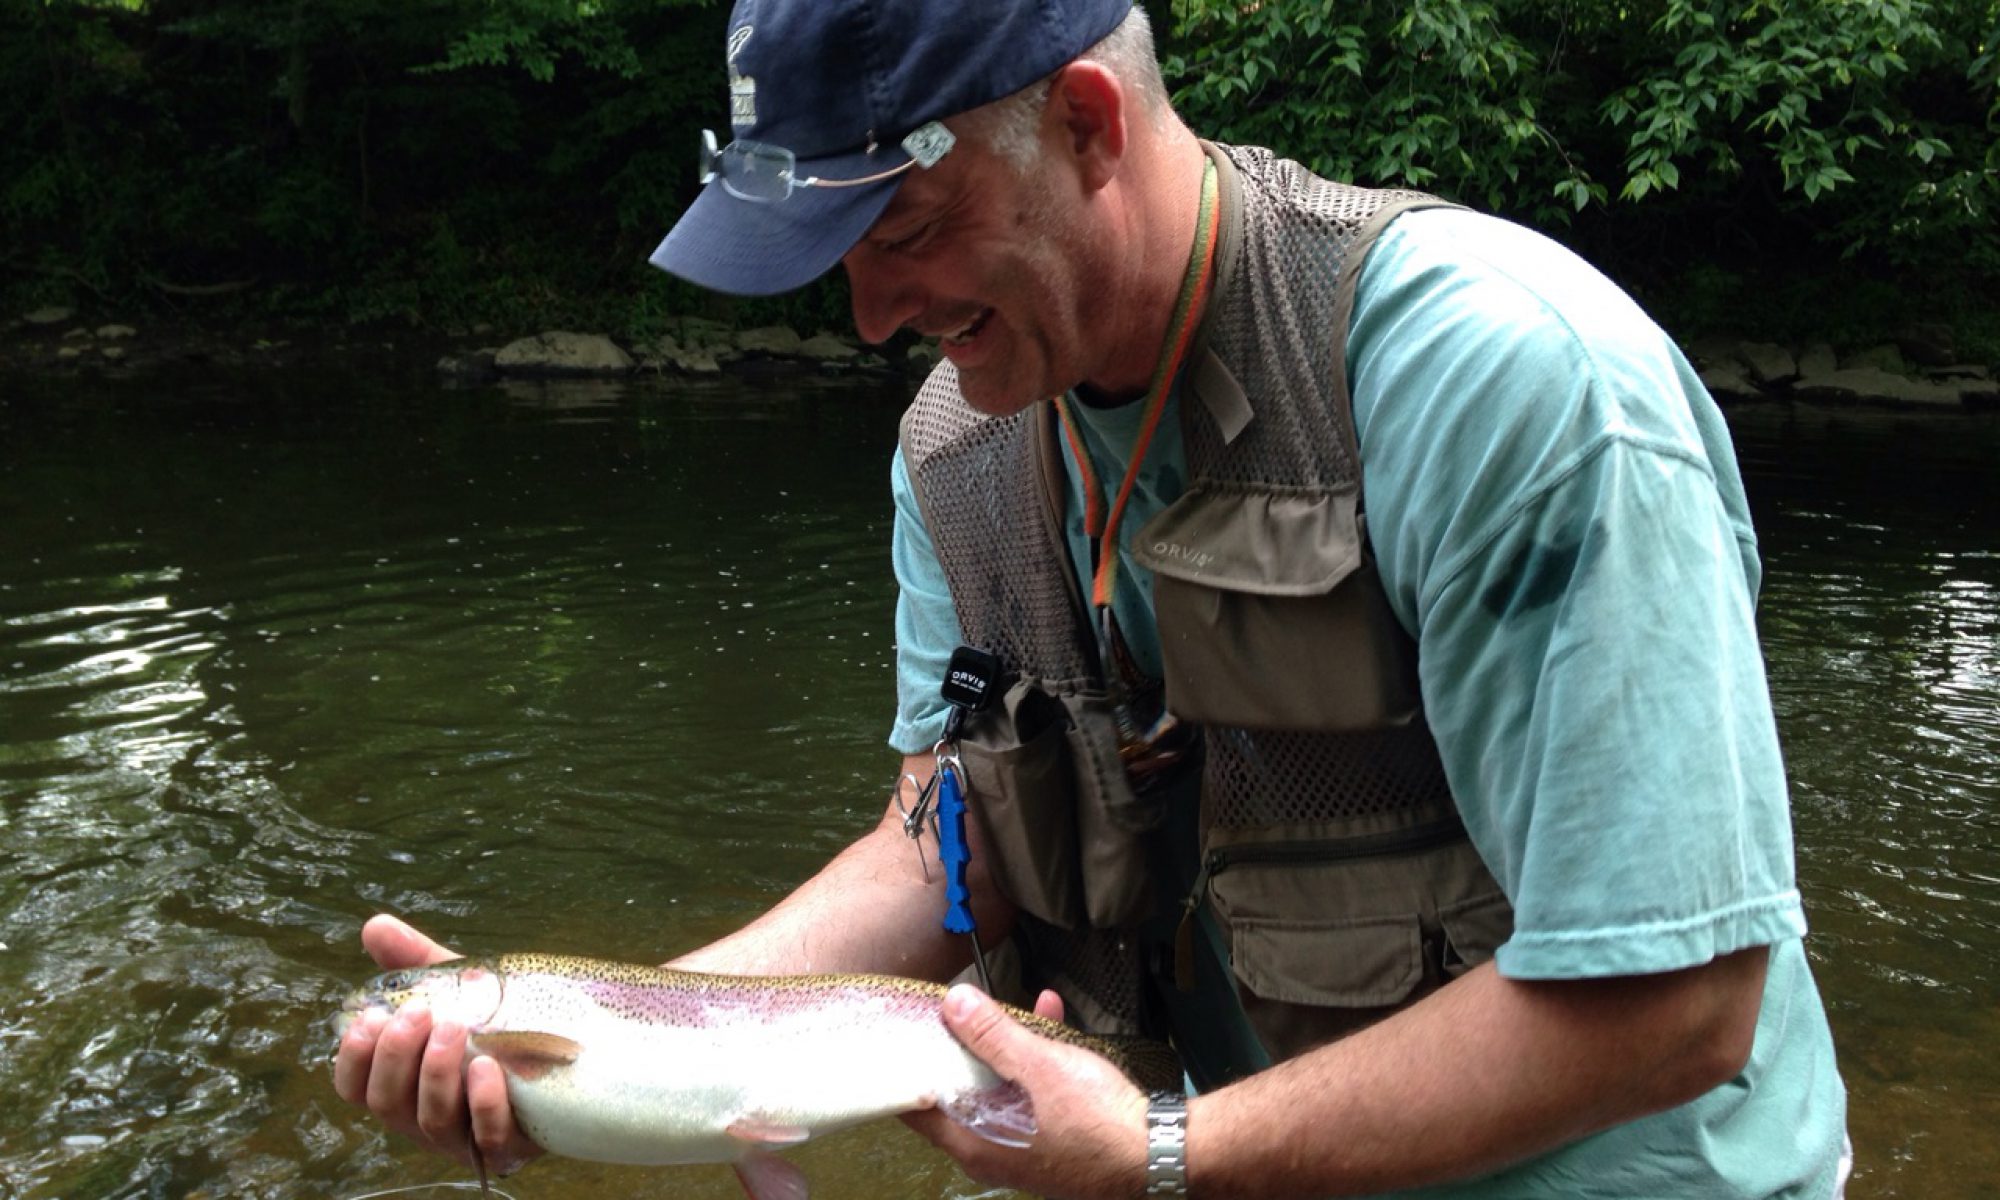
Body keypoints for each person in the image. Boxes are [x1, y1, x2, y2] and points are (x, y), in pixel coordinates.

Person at [334, 1, 1852, 1196]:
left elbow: (1678, 999)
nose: (870, 320)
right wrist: (598, 1053)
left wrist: (1160, 1157)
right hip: (1239, 1166)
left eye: (905, 234)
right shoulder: (959, 446)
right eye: (830, 265)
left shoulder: (1507, 381)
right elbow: (947, 846)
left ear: (1086, 121)